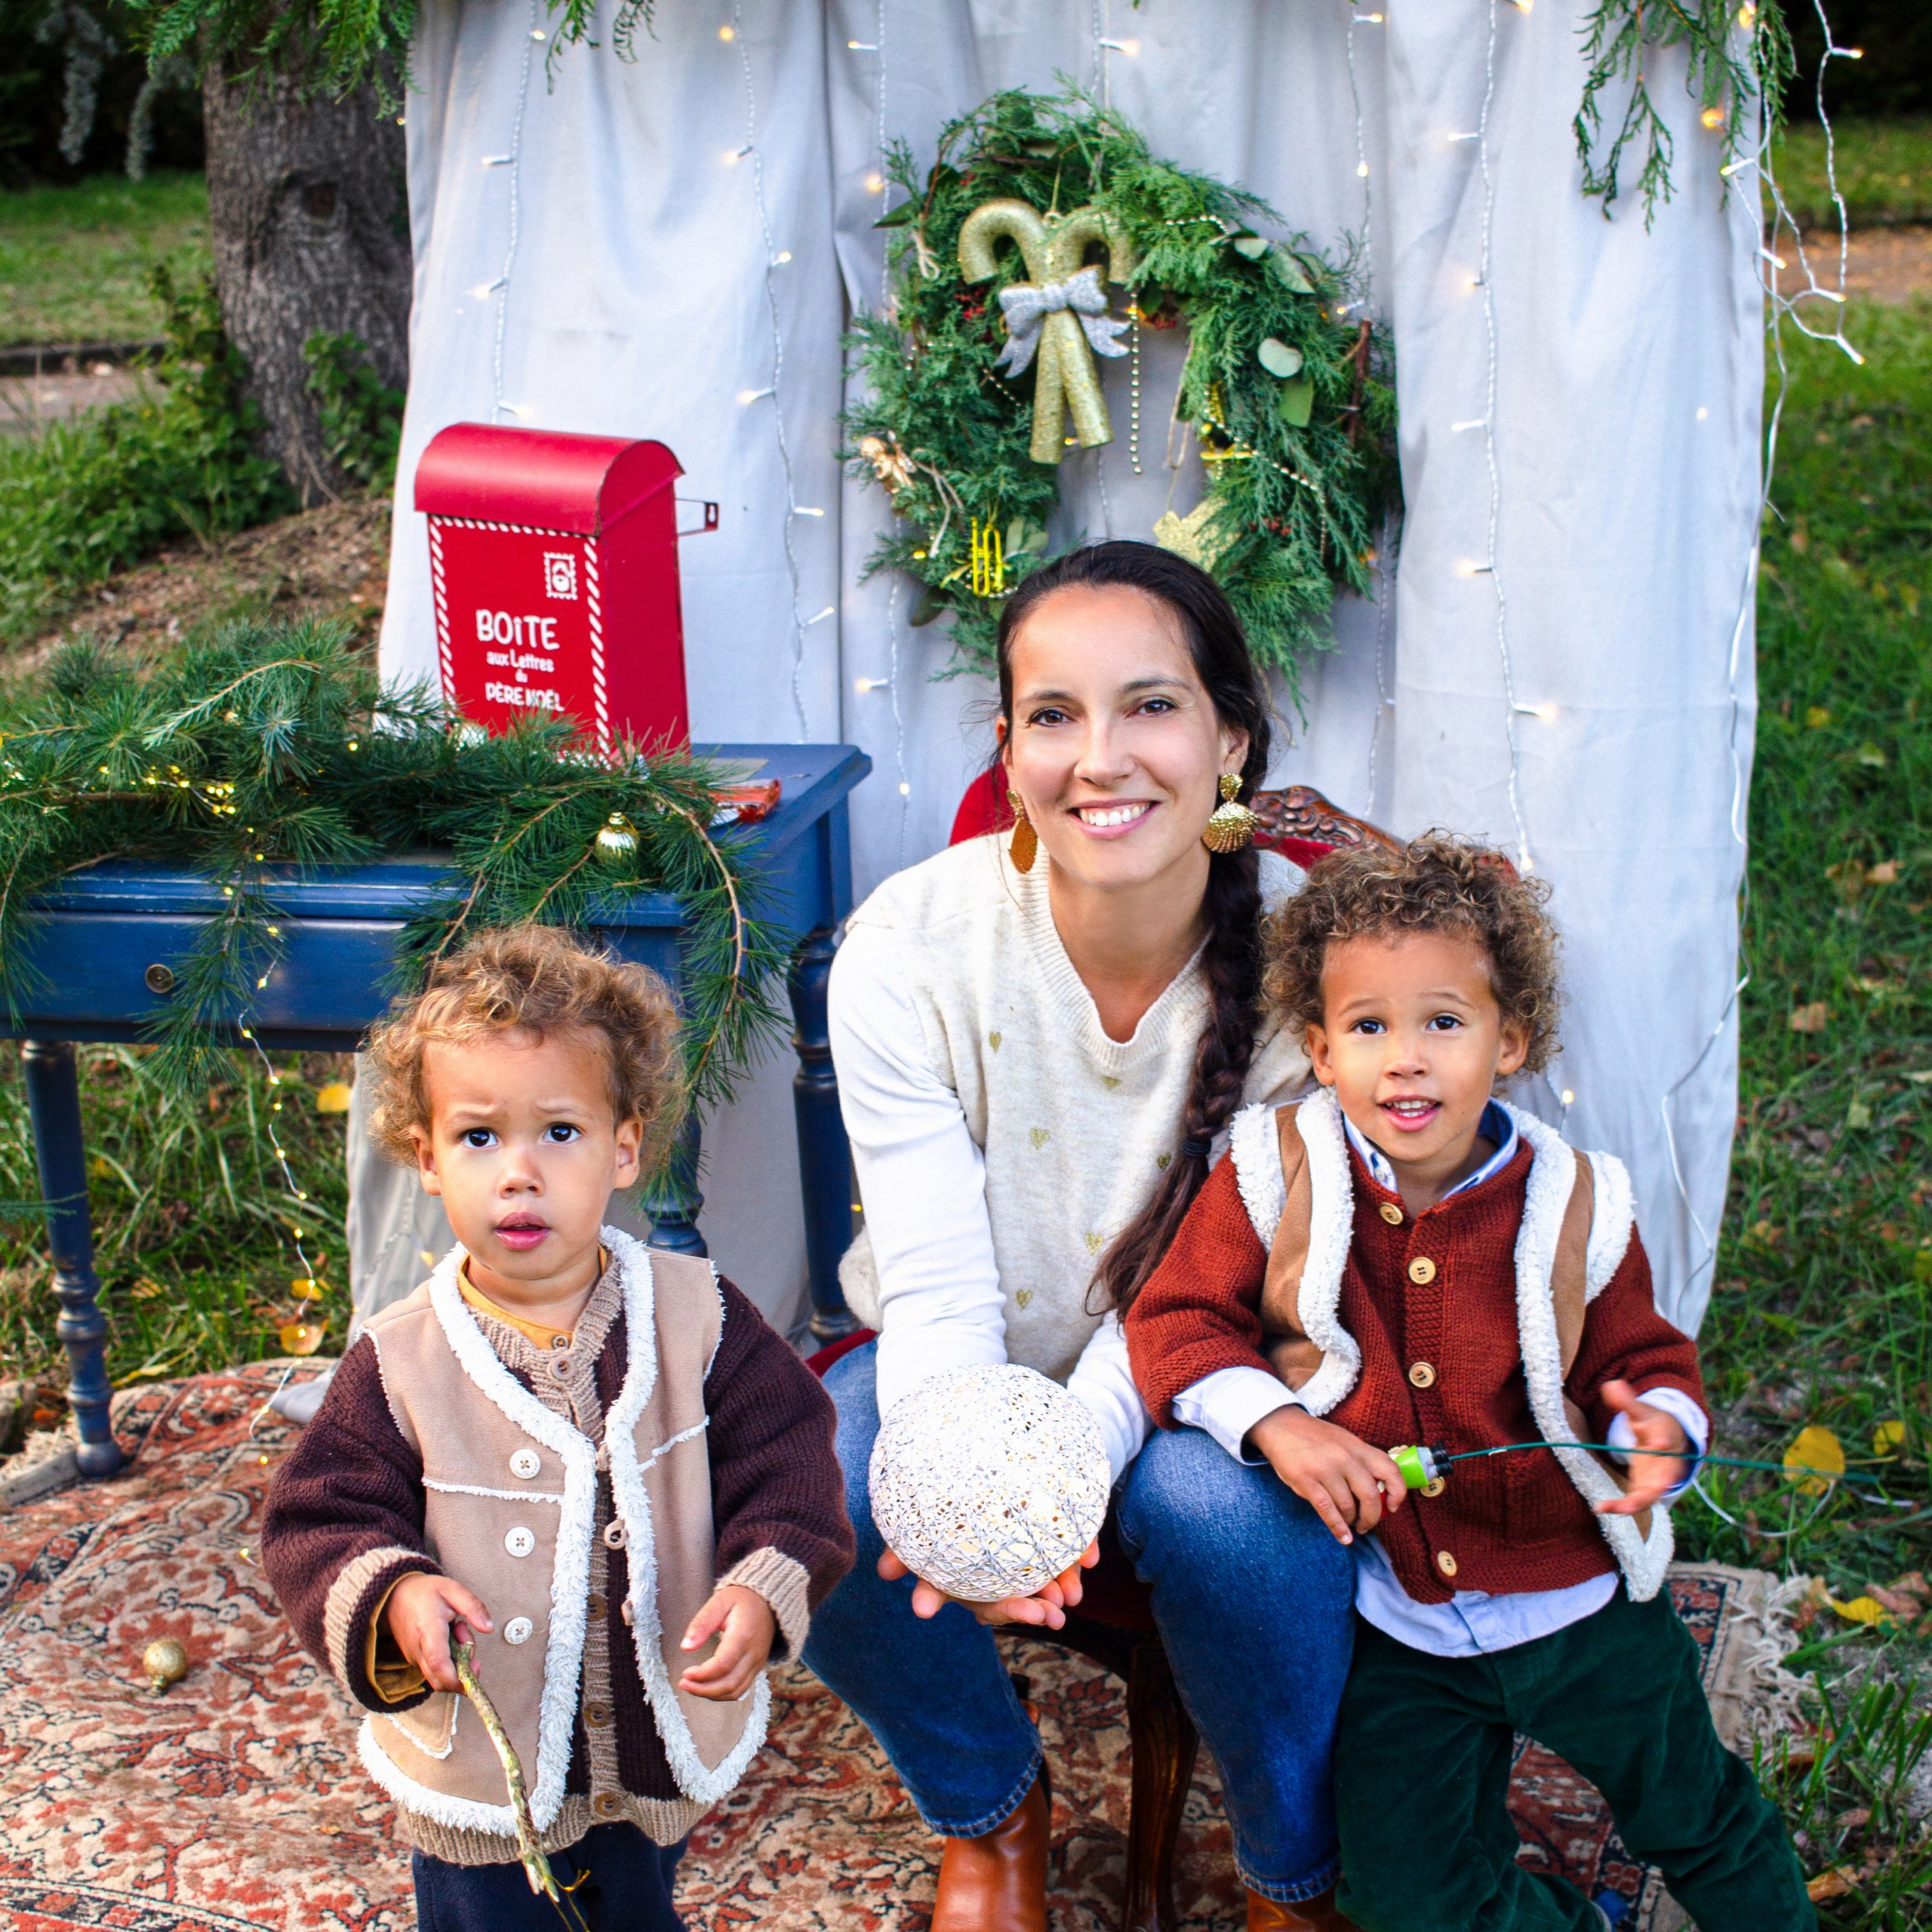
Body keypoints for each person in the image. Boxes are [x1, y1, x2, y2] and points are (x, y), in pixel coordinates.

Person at [803, 541, 1358, 1932]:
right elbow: (934, 1279)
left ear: (1231, 738)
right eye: (1055, 716)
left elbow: (1191, 1300)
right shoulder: (909, 951)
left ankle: (1292, 1870)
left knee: (1233, 1513)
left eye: (1151, 707)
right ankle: (991, 1810)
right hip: (971, 1358)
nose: (1101, 758)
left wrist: (1049, 1488)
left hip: (1200, 1370)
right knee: (808, 1473)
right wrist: (960, 1497)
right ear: (1008, 747)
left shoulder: (1314, 976)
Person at [1124, 837, 1813, 1931]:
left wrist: (1659, 1424)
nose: (1405, 1059)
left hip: (1581, 1600)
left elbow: (1646, 1360)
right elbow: (1174, 1323)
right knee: (1404, 1894)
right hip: (1408, 1626)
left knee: (1698, 1814)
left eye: (1444, 1022)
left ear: (1510, 1042)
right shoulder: (1276, 1169)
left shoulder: (1576, 1202)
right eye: (1368, 1027)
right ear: (1320, 1047)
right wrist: (1279, 1430)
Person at [260, 925, 854, 1932]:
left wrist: (762, 1585)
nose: (520, 1174)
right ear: (428, 1159)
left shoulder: (697, 1314)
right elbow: (321, 1516)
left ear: (625, 1148)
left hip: (644, 1730)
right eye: (480, 1137)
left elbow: (787, 1463)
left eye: (560, 1133)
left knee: (633, 1911)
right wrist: (396, 1592)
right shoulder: (402, 1356)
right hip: (483, 1762)